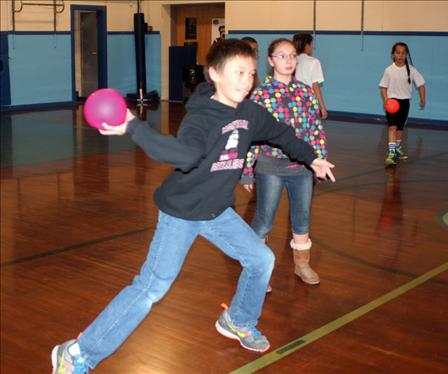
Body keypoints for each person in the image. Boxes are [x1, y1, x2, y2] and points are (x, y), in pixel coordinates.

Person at [51, 39, 335, 373]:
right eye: (238, 72)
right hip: (182, 212)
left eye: (250, 73)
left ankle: (237, 320)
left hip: (216, 210)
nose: (247, 80)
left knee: (261, 259)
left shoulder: (250, 112)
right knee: (150, 289)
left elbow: (282, 134)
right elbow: (184, 156)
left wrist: (312, 157)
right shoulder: (201, 118)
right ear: (215, 74)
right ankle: (78, 353)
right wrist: (134, 126)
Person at [241, 38, 327, 288]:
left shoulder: (304, 91)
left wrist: (318, 160)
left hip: (301, 168)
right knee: (265, 219)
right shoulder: (261, 94)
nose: (288, 60)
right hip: (270, 167)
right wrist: (247, 171)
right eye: (281, 56)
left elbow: (315, 129)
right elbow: (251, 135)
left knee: (302, 217)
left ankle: (301, 265)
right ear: (270, 61)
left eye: (292, 56)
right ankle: (256, 269)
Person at [379, 42, 425, 166]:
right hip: (392, 103)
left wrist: (422, 99)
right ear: (393, 54)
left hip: (405, 103)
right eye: (397, 52)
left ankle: (397, 148)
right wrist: (386, 99)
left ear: (406, 55)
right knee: (392, 127)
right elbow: (383, 87)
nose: (400, 55)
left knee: (400, 128)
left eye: (403, 53)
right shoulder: (389, 70)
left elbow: (421, 85)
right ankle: (391, 153)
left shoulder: (412, 70)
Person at [293, 33, 328, 120]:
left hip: (292, 101)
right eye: (311, 44)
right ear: (307, 45)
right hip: (307, 102)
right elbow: (315, 86)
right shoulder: (314, 62)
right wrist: (322, 107)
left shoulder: (292, 60)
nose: (312, 47)